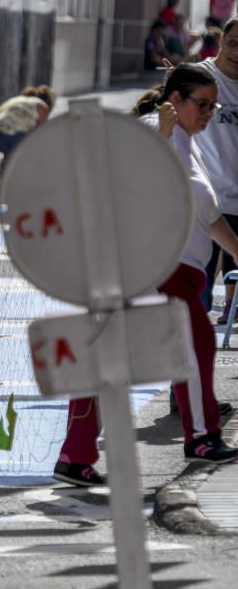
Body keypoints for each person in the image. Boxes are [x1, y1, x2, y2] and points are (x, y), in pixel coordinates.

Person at [54, 65, 238, 487]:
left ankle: (74, 457)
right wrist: (161, 133)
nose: (211, 113)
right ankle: (203, 437)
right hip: (152, 268)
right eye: (203, 105)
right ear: (176, 100)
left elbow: (209, 218)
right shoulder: (153, 129)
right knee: (195, 345)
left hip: (169, 272)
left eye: (215, 105)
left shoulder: (189, 144)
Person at [199, 18, 238, 321]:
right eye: (234, 43)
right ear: (222, 41)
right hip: (207, 193)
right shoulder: (202, 76)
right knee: (201, 272)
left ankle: (231, 310)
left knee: (234, 271)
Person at [0, 85, 56, 174]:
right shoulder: (42, 106)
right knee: (29, 139)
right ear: (49, 102)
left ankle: (6, 169)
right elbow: (42, 135)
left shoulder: (21, 99)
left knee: (19, 137)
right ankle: (10, 171)